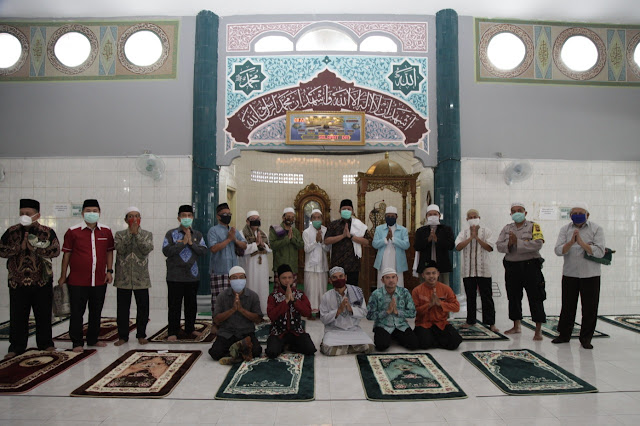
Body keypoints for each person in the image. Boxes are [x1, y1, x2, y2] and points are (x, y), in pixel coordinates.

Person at [0, 199, 60, 359]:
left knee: (43, 314)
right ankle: (16, 347)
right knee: (18, 315)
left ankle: (46, 344)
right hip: (17, 282)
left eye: (27, 213)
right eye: (21, 213)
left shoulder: (46, 232)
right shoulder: (11, 232)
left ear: (37, 215)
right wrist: (18, 248)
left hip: (41, 281)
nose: (24, 216)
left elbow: (55, 250)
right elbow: (1, 250)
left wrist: (34, 248)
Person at [59, 199, 114, 352]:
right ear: (82, 213)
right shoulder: (73, 231)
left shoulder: (106, 231)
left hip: (99, 280)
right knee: (77, 312)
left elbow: (109, 251)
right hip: (77, 281)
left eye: (95, 211)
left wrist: (109, 271)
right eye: (88, 211)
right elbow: (67, 255)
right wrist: (63, 275)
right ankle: (77, 342)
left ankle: (93, 339)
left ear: (99, 212)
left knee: (96, 311)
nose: (92, 214)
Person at [552, 202, 606, 349]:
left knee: (589, 307)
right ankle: (564, 335)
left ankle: (586, 338)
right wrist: (571, 242)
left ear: (587, 215)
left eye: (580, 212)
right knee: (568, 306)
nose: (577, 215)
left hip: (591, 274)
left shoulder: (596, 229)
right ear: (570, 216)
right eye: (574, 213)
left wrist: (581, 242)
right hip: (570, 273)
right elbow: (558, 250)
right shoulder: (565, 229)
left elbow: (600, 251)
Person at [496, 202, 546, 340]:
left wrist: (517, 242)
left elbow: (538, 244)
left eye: (520, 210)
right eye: (513, 211)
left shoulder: (533, 226)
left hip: (531, 266)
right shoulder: (507, 228)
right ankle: (516, 325)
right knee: (513, 297)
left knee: (536, 296)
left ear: (525, 213)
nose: (516, 212)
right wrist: (509, 243)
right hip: (512, 267)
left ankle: (538, 329)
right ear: (510, 214)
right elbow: (499, 246)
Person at [162, 204, 208, 342]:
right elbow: (166, 251)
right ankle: (172, 331)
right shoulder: (171, 234)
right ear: (178, 218)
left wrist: (191, 243)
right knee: (174, 305)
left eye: (189, 216)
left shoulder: (197, 234)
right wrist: (182, 243)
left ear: (192, 218)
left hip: (192, 276)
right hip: (175, 276)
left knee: (191, 305)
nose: (186, 218)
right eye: (184, 216)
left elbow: (204, 251)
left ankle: (190, 329)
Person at [113, 206, 153, 346]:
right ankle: (123, 336)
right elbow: (121, 250)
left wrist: (137, 235)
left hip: (141, 279)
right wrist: (130, 234)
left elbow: (145, 250)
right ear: (125, 220)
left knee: (143, 308)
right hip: (123, 279)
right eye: (131, 216)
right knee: (123, 309)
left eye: (137, 216)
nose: (134, 219)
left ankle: (141, 334)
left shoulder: (147, 234)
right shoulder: (119, 235)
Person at [454, 208, 499, 332]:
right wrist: (471, 238)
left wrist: (477, 238)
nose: (473, 218)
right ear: (467, 219)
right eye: (470, 217)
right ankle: (470, 321)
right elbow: (458, 247)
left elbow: (490, 248)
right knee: (470, 296)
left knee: (487, 297)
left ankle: (491, 323)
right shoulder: (463, 233)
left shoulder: (487, 232)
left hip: (484, 271)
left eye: (475, 216)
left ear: (479, 218)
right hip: (468, 271)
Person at [208, 266, 263, 364]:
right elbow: (216, 320)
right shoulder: (222, 296)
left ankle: (233, 353)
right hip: (227, 333)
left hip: (246, 333)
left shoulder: (253, 296)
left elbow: (258, 319)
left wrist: (241, 310)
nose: (238, 280)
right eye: (234, 278)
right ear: (229, 280)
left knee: (257, 351)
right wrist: (233, 309)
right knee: (215, 353)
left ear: (245, 279)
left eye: (241, 277)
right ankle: (239, 352)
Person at [319, 266, 374, 356]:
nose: (338, 279)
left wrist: (351, 309)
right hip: (334, 331)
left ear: (346, 277)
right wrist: (338, 311)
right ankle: (352, 348)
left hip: (353, 330)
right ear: (330, 280)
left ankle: (342, 349)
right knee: (327, 349)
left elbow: (364, 313)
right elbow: (323, 319)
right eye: (335, 277)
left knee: (369, 347)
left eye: (341, 276)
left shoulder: (357, 292)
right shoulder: (326, 296)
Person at [265, 264, 317, 358]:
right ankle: (284, 345)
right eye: (284, 278)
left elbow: (307, 312)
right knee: (271, 352)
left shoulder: (300, 294)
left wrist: (294, 301)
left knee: (310, 350)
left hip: (296, 331)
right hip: (278, 332)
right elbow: (271, 316)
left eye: (289, 277)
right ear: (278, 280)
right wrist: (285, 301)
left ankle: (288, 346)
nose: (287, 280)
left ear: (293, 279)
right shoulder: (273, 296)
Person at [412, 261, 462, 350]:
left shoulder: (446, 289)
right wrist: (429, 305)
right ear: (423, 275)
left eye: (433, 273)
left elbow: (456, 307)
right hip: (424, 323)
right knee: (423, 343)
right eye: (428, 274)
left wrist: (440, 304)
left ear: (438, 274)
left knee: (455, 341)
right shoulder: (417, 290)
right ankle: (438, 340)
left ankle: (435, 340)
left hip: (441, 323)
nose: (431, 276)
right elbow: (414, 311)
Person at [208, 202, 247, 316]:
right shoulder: (213, 230)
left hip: (233, 271)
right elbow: (214, 248)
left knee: (233, 300)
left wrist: (234, 239)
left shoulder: (233, 230)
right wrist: (229, 239)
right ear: (218, 216)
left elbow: (244, 245)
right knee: (219, 300)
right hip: (219, 271)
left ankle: (232, 324)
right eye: (224, 214)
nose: (227, 216)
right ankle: (217, 324)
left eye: (229, 214)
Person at [367, 267, 418, 351]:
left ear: (397, 279)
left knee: (414, 344)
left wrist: (398, 312)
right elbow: (369, 315)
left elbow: (413, 313)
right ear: (382, 280)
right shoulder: (376, 294)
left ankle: (394, 336)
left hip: (401, 325)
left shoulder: (404, 292)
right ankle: (389, 336)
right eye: (387, 277)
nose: (391, 280)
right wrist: (387, 312)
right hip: (383, 325)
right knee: (381, 346)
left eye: (393, 277)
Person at [324, 199, 370, 287]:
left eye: (349, 209)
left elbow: (366, 241)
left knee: (352, 290)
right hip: (337, 264)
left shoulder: (358, 224)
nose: (346, 211)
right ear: (339, 211)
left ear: (353, 211)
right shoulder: (333, 225)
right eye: (344, 209)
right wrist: (343, 236)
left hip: (353, 265)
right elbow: (326, 241)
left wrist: (351, 237)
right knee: (338, 290)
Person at [414, 204, 455, 284]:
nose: (433, 216)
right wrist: (428, 239)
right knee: (425, 291)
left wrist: (437, 240)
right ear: (426, 216)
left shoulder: (446, 229)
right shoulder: (421, 231)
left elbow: (451, 246)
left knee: (443, 291)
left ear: (439, 216)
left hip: (442, 266)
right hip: (425, 266)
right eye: (430, 214)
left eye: (435, 214)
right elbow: (417, 247)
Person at [372, 206, 410, 288]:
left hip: (397, 261)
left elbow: (406, 245)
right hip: (383, 260)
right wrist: (385, 239)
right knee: (382, 281)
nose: (390, 218)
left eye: (392, 216)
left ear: (396, 217)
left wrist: (393, 239)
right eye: (388, 216)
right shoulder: (379, 229)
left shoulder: (403, 230)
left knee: (398, 282)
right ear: (385, 217)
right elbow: (374, 244)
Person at [241, 210, 271, 313]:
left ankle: (262, 311)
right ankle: (250, 311)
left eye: (258, 219)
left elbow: (269, 249)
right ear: (247, 221)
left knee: (263, 288)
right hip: (250, 265)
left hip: (263, 265)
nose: (256, 221)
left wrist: (263, 245)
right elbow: (242, 250)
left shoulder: (263, 233)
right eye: (253, 219)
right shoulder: (242, 233)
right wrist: (256, 245)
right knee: (251, 286)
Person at [302, 208, 330, 318]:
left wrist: (322, 241)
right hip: (310, 267)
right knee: (310, 290)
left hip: (322, 266)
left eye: (319, 217)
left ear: (322, 219)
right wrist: (316, 241)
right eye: (314, 218)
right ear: (311, 219)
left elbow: (328, 249)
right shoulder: (306, 232)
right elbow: (306, 249)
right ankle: (309, 312)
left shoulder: (326, 230)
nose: (317, 219)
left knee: (322, 290)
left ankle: (320, 312)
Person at [269, 207, 303, 284]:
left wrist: (292, 239)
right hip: (280, 266)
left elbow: (301, 245)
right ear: (283, 217)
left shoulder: (295, 231)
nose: (290, 219)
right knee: (279, 292)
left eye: (292, 217)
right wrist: (287, 239)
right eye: (288, 217)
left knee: (292, 292)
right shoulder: (276, 229)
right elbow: (273, 245)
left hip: (292, 266)